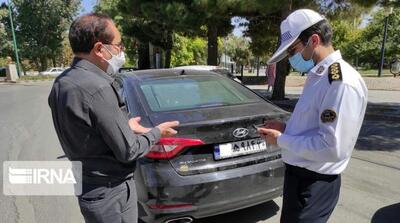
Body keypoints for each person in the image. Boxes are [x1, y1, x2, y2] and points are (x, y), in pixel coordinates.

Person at [48, 13, 179, 223]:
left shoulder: (62, 82)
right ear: (100, 49)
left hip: (88, 187)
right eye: (119, 45)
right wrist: (156, 132)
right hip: (111, 193)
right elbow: (129, 150)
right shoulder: (98, 87)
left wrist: (123, 125)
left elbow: (85, 127)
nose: (122, 51)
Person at [257, 9, 368, 222]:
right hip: (299, 179)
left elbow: (331, 147)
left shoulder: (340, 81)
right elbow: (313, 126)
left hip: (313, 185)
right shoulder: (319, 75)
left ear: (314, 40)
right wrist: (286, 128)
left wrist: (281, 140)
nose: (291, 57)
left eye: (293, 50)